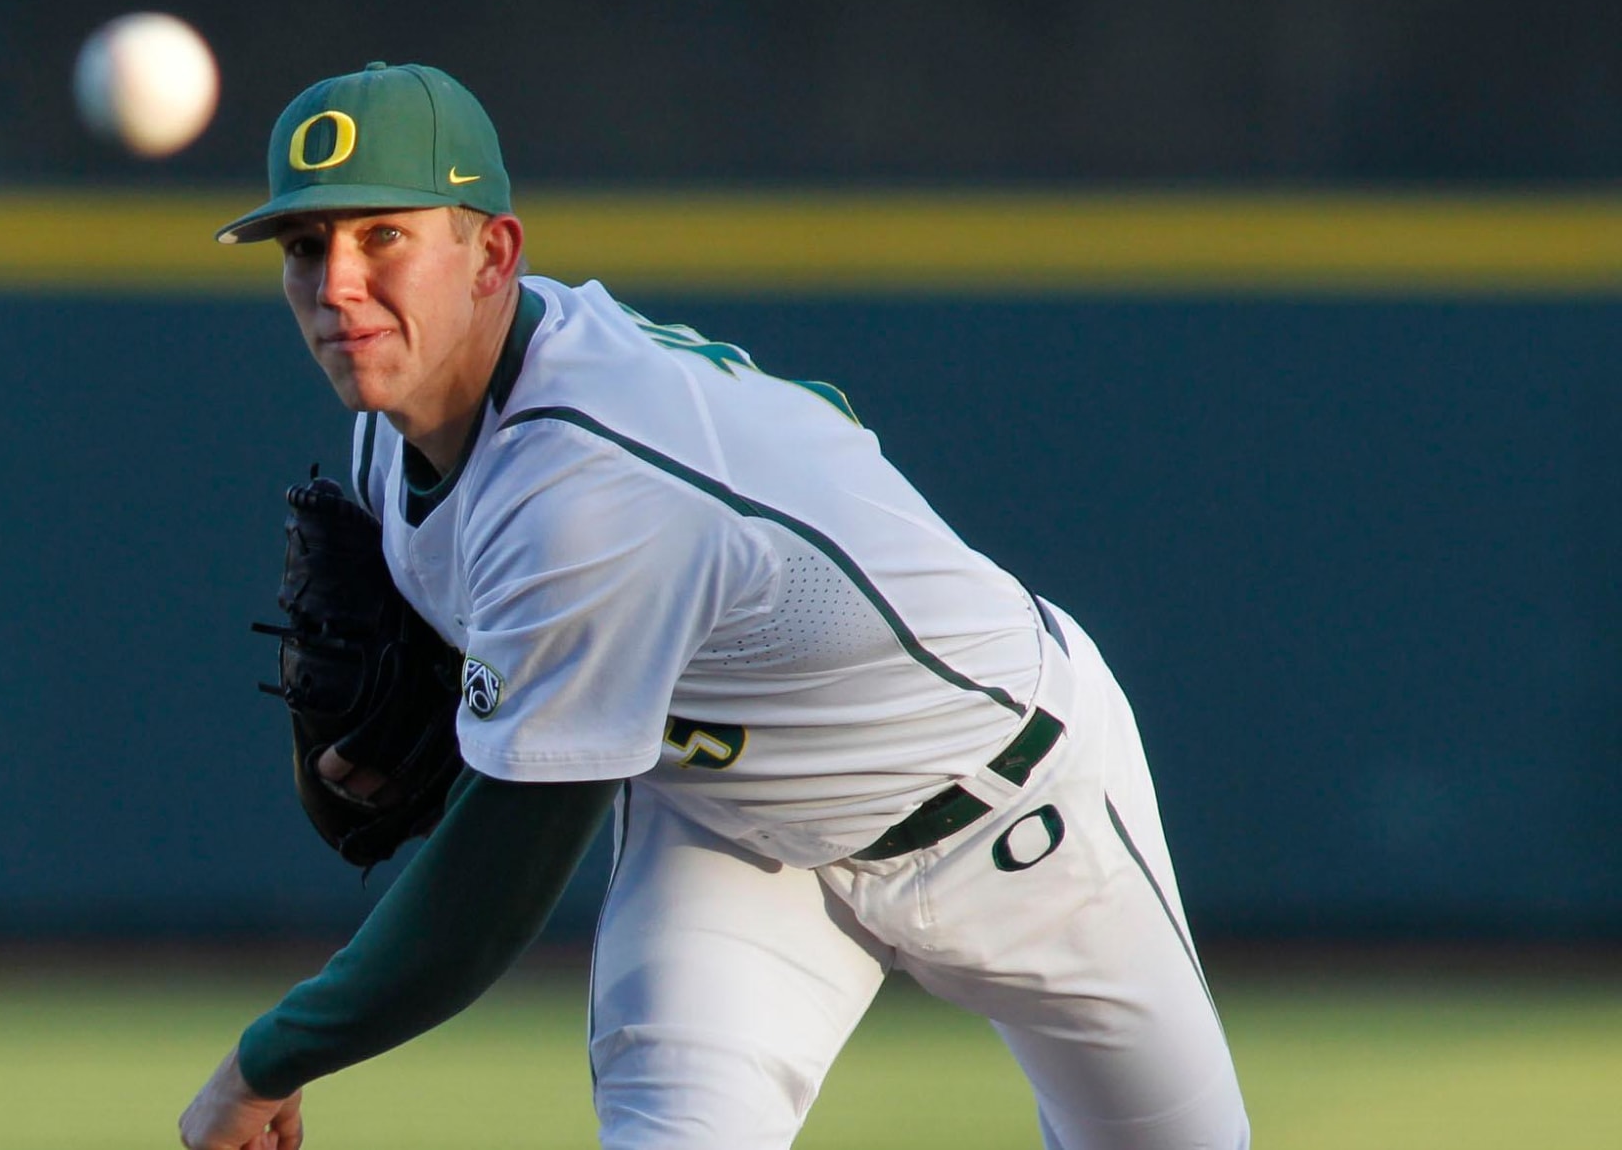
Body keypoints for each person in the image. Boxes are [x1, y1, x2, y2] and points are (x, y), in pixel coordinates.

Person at [179, 61, 1249, 1150]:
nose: (337, 285)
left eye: (383, 236)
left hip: (1012, 808)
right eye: (305, 247)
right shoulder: (400, 419)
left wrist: (267, 1062)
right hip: (736, 838)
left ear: (493, 254)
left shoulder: (587, 482)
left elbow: (485, 901)